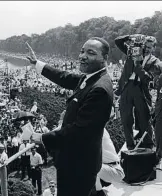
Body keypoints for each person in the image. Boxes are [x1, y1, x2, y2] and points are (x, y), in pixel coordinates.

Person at [26, 37, 113, 196]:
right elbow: (64, 77)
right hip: (76, 161)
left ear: (105, 58)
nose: (83, 56)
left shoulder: (99, 89)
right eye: (82, 51)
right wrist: (37, 64)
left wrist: (44, 137)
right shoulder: (91, 77)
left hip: (79, 165)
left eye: (91, 53)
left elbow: (80, 131)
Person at [114, 34, 162, 150]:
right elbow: (118, 41)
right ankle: (130, 145)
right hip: (126, 87)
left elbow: (148, 79)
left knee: (144, 118)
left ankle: (148, 144)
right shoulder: (132, 52)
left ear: (154, 48)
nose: (146, 49)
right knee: (126, 118)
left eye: (149, 47)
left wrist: (137, 65)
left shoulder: (155, 62)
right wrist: (131, 37)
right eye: (145, 46)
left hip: (141, 89)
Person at [93, 129, 125, 196]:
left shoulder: (97, 130)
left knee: (89, 166)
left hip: (114, 169)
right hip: (104, 168)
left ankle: (99, 193)